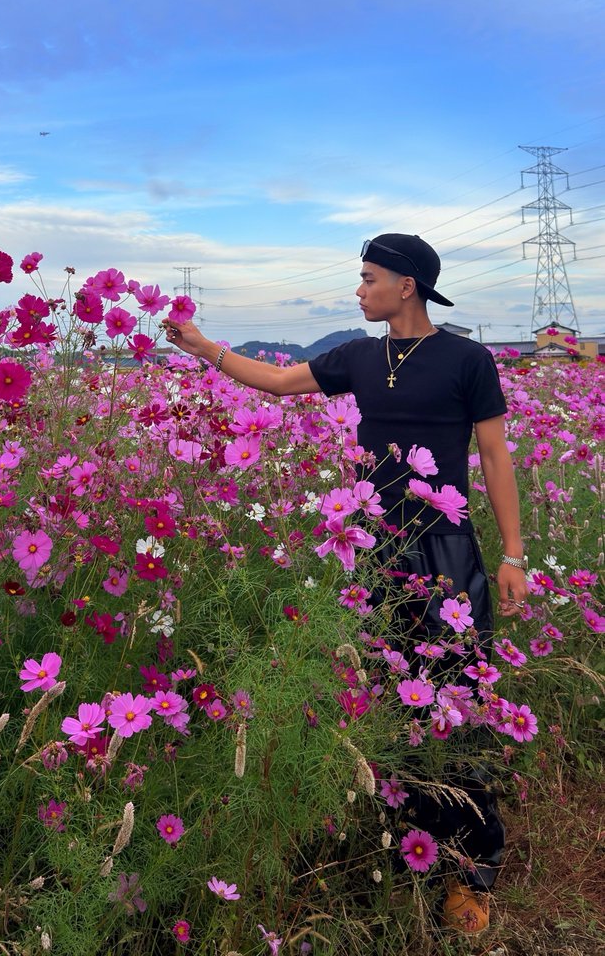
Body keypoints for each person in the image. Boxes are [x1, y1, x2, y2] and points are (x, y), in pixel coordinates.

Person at [162, 232, 527, 934]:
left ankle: (467, 871)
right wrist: (203, 346)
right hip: (370, 552)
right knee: (389, 702)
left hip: (445, 551)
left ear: (407, 285)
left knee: (457, 702)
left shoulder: (467, 358)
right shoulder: (358, 356)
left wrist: (512, 555)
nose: (359, 291)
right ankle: (401, 844)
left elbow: (494, 455)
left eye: (368, 279)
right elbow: (275, 381)